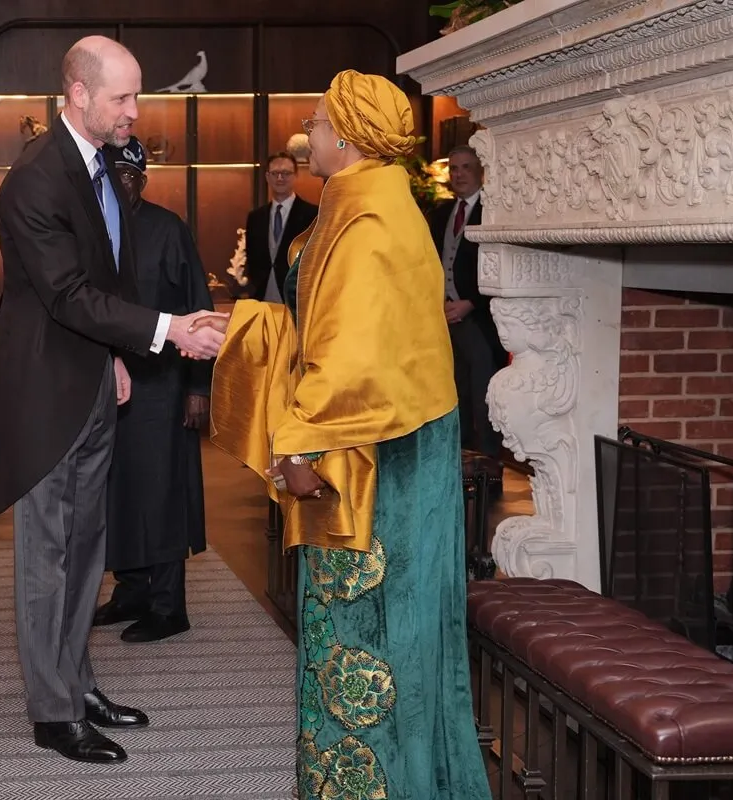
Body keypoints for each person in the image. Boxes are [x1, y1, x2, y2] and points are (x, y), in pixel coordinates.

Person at [193, 71, 491, 798]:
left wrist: (296, 444)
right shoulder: (366, 204)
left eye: (318, 123)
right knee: (376, 635)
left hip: (373, 460)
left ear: (350, 138)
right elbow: (326, 327)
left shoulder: (366, 220)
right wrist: (241, 325)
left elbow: (351, 360)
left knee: (369, 640)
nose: (308, 133)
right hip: (381, 443)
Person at [0, 35, 225, 764]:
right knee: (47, 559)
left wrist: (117, 357)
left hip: (93, 378)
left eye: (136, 95)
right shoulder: (34, 179)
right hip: (46, 394)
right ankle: (52, 713)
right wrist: (168, 329)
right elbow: (67, 294)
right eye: (122, 97)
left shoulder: (100, 167)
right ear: (79, 93)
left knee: (88, 550)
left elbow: (105, 282)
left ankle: (78, 683)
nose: (134, 111)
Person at [94, 136, 211, 643]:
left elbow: (199, 308)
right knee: (118, 489)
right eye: (112, 175)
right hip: (110, 382)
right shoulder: (95, 227)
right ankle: (131, 591)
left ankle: (168, 606)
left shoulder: (168, 228)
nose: (122, 184)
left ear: (143, 178)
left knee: (161, 492)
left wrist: (199, 388)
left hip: (164, 385)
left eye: (130, 175)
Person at [429, 145, 506, 457]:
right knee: (454, 389)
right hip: (444, 317)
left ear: (480, 172)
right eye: (454, 168)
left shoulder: (493, 211)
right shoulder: (440, 213)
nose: (459, 174)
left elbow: (499, 263)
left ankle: (489, 462)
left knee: (482, 392)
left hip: (480, 317)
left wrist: (470, 302)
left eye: (466, 168)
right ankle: (459, 459)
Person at [242, 152, 318, 302]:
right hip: (262, 297)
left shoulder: (312, 215)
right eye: (275, 173)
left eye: (286, 173)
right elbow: (251, 259)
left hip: (298, 299)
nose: (280, 178)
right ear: (267, 177)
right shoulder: (255, 217)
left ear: (295, 175)